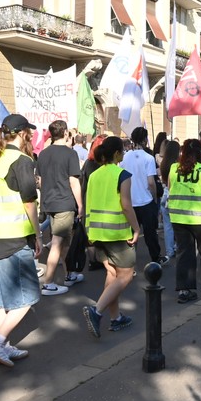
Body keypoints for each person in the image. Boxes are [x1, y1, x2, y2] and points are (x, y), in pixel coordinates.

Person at [0, 114, 42, 367]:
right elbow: (29, 201)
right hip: (13, 236)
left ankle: (2, 346)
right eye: (30, 132)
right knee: (27, 297)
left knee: (4, 300)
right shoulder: (21, 160)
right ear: (23, 133)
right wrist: (37, 234)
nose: (32, 136)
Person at [81, 137, 140, 338]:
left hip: (97, 233)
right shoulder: (122, 175)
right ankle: (96, 311)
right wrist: (136, 229)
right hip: (117, 233)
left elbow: (88, 203)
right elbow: (126, 205)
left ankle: (115, 318)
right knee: (126, 275)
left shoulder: (95, 174)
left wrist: (89, 232)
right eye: (122, 151)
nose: (124, 154)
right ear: (116, 154)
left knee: (113, 274)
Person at [168, 139, 201, 303]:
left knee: (184, 253)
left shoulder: (174, 168)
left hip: (178, 217)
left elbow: (170, 188)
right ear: (200, 153)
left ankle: (185, 290)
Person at [36, 120, 83, 295]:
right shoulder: (70, 154)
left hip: (50, 202)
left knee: (63, 242)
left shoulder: (43, 154)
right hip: (64, 202)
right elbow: (74, 182)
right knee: (57, 243)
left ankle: (69, 274)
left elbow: (40, 180)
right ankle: (48, 283)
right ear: (65, 133)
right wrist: (81, 205)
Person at [120, 127, 161, 264]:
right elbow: (151, 182)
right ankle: (156, 258)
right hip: (146, 200)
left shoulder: (125, 157)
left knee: (131, 233)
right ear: (145, 140)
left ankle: (129, 261)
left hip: (129, 200)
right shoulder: (149, 158)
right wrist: (154, 197)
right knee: (150, 233)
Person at [80, 135, 107, 271]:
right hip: (100, 202)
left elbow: (82, 184)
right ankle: (102, 259)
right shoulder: (103, 166)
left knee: (89, 233)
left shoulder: (87, 163)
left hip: (88, 201)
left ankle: (92, 261)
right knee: (101, 232)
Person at [158, 140, 181, 262]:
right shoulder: (177, 166)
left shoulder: (163, 164)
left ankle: (169, 251)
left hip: (165, 195)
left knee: (167, 226)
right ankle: (177, 247)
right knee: (177, 225)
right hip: (175, 196)